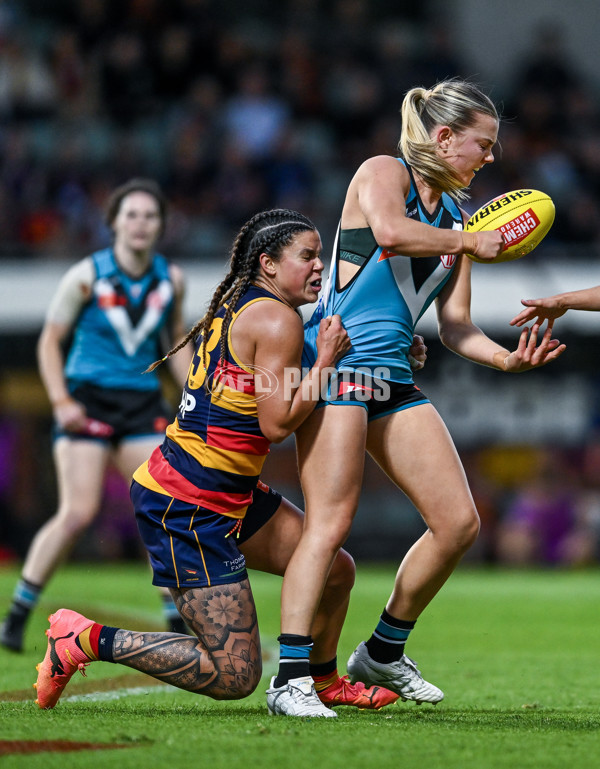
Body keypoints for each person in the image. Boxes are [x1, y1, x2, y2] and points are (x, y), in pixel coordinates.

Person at [33, 208, 410, 718]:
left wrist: (358, 358)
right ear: (269, 264)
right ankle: (84, 638)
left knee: (335, 570)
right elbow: (278, 425)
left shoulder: (246, 304)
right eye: (308, 256)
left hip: (223, 492)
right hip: (186, 505)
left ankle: (322, 682)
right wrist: (325, 362)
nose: (320, 266)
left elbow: (269, 391)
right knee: (234, 676)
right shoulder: (276, 319)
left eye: (320, 255)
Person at [272, 79, 567, 710]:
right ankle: (290, 679)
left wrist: (506, 359)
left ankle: (380, 653)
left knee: (458, 524)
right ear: (442, 137)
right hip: (337, 370)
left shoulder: (460, 218)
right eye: (482, 145)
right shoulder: (383, 172)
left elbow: (456, 327)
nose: (490, 158)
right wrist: (467, 242)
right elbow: (389, 231)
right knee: (329, 524)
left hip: (393, 380)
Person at [0, 178, 191, 652]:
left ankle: (176, 622)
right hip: (88, 401)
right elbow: (49, 341)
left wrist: (195, 395)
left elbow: (173, 344)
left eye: (150, 216)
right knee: (78, 512)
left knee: (162, 507)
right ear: (113, 224)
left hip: (142, 402)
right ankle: (17, 616)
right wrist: (62, 402)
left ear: (162, 225)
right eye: (132, 215)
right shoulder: (86, 275)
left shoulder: (173, 279)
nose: (141, 224)